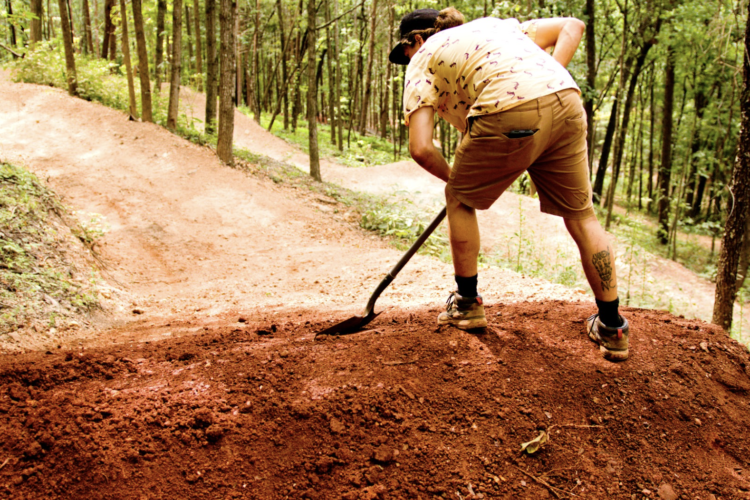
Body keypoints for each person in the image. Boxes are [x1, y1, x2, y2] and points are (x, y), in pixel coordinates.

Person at [389, 7, 630, 361]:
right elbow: (572, 26)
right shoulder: (495, 27)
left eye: (405, 52)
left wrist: (458, 183)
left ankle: (467, 304)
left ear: (417, 40)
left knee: (458, 200)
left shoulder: (423, 56)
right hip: (566, 99)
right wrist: (551, 77)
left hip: (508, 108)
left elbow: (421, 148)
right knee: (583, 216)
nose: (406, 59)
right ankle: (612, 326)